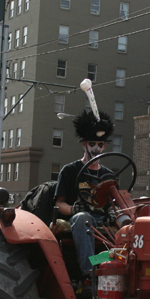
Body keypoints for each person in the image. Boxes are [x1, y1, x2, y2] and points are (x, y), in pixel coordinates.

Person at [55, 109, 116, 277]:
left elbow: (114, 203)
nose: (96, 148)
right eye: (92, 144)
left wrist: (113, 213)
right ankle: (90, 272)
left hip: (102, 220)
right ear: (84, 145)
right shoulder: (70, 170)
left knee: (129, 226)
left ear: (105, 146)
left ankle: (117, 267)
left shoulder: (108, 175)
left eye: (100, 145)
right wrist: (74, 210)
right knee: (83, 218)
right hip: (79, 220)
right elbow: (59, 203)